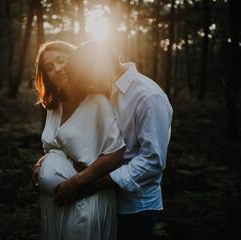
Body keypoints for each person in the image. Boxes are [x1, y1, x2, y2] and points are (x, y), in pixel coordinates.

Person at [54, 41, 173, 240]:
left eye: (85, 80)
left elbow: (152, 162)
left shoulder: (148, 97)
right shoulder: (106, 89)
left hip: (135, 208)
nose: (85, 87)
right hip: (104, 203)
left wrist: (89, 184)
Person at [32, 40, 126, 240]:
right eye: (49, 67)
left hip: (86, 199)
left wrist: (75, 183)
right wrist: (40, 164)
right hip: (57, 203)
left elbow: (116, 153)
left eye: (61, 60)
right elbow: (54, 148)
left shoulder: (97, 102)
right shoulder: (54, 105)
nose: (56, 69)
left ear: (76, 61)